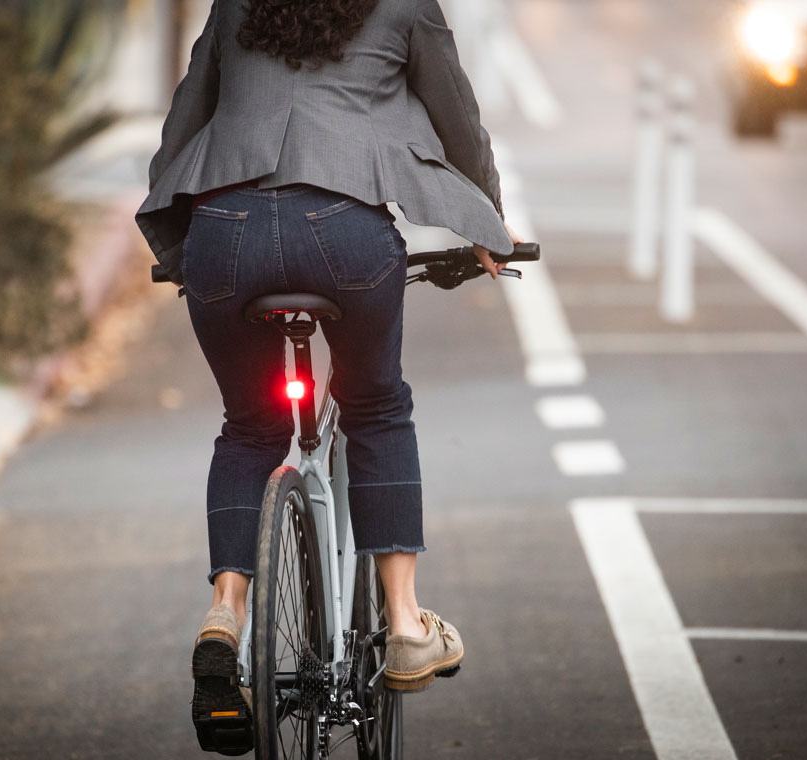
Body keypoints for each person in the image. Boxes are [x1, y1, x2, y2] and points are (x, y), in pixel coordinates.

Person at [134, 0, 523, 744]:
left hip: (226, 237)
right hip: (344, 233)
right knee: (376, 406)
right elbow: (459, 123)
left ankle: (227, 611)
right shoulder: (407, 5)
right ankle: (405, 623)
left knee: (249, 427)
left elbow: (186, 118)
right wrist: (489, 224)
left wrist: (180, 238)